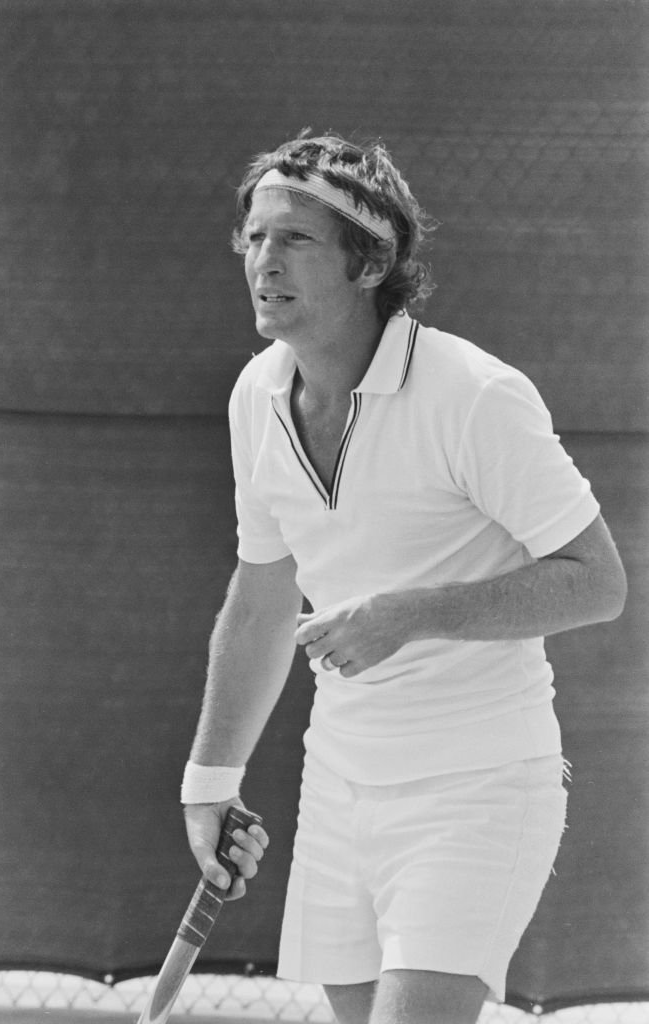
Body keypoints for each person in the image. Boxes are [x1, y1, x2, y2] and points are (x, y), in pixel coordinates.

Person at [180, 132, 627, 1024]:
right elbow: (264, 594)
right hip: (339, 784)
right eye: (254, 237)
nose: (264, 262)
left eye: (296, 240)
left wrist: (410, 614)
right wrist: (208, 780)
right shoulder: (254, 396)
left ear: (369, 260)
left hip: (481, 788)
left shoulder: (474, 394)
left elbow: (596, 581)